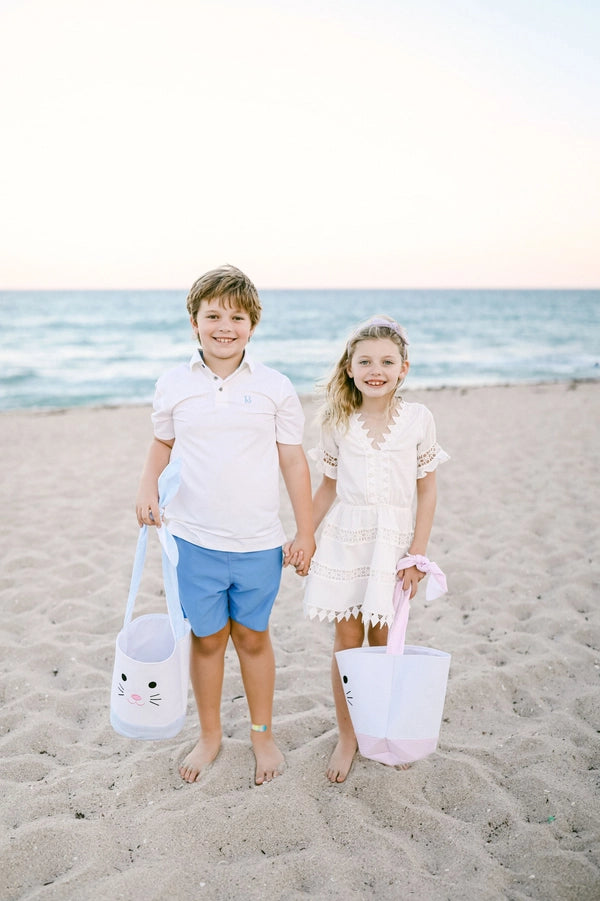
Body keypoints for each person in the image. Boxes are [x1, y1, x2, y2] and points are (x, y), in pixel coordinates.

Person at [135, 265, 315, 785]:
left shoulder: (274, 386)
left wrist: (305, 531)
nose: (224, 327)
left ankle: (262, 735)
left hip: (259, 544)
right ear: (194, 321)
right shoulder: (173, 384)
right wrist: (146, 487)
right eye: (213, 315)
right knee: (208, 640)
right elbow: (162, 443)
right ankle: (210, 735)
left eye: (237, 317)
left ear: (252, 325)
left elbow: (293, 461)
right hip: (194, 540)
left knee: (254, 639)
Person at [303, 315, 449, 783]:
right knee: (347, 642)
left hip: (393, 547)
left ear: (403, 368)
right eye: (365, 361)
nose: (376, 370)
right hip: (346, 542)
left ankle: (384, 729)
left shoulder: (419, 419)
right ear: (350, 368)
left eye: (387, 362)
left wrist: (417, 554)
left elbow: (427, 490)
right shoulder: (337, 421)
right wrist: (304, 534)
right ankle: (348, 736)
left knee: (386, 642)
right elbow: (327, 487)